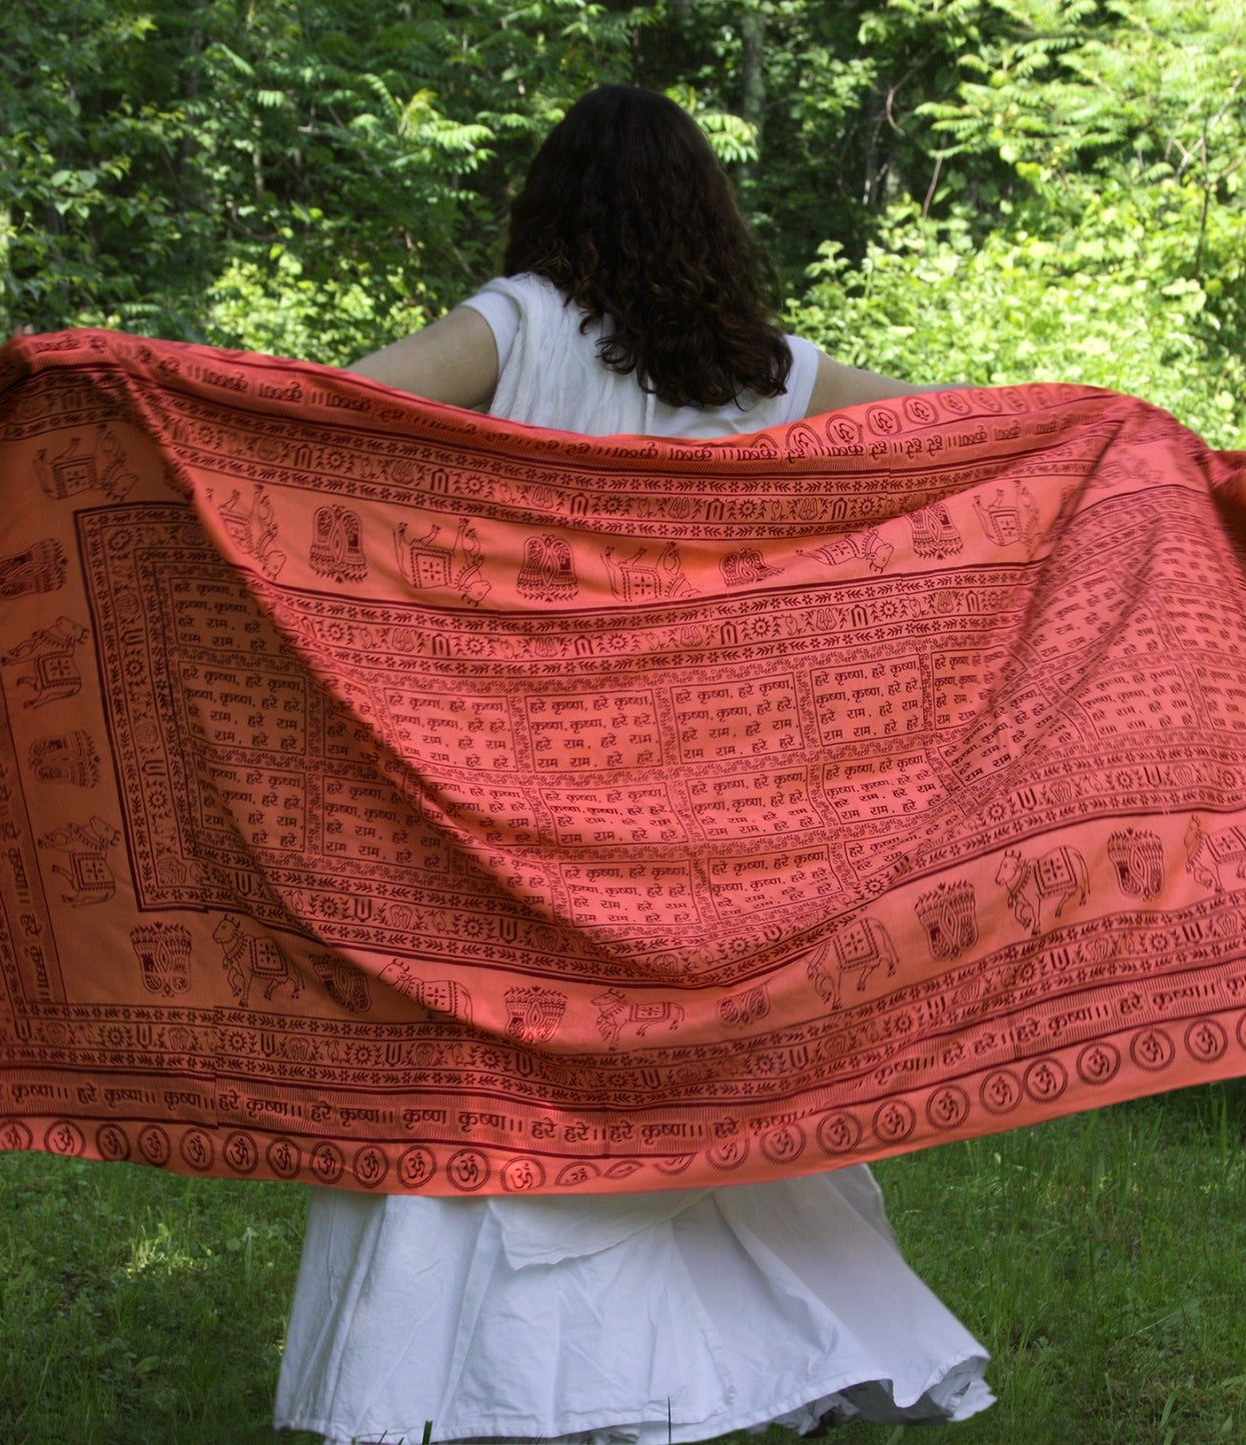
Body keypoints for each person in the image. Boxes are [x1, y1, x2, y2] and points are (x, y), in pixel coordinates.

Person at [273, 85, 993, 1445]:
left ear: (554, 210)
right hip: (708, 799)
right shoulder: (771, 372)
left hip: (513, 781)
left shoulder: (522, 325)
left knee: (488, 1073)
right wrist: (1128, 444)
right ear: (710, 221)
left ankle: (483, 1391)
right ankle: (739, 1366)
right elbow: (961, 438)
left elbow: (332, 410)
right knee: (692, 1084)